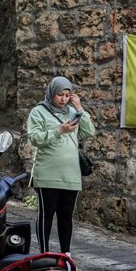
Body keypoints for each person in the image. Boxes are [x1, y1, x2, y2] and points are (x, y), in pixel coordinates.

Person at [28, 76, 96, 255]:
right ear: (52, 93)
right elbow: (35, 138)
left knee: (66, 215)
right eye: (60, 95)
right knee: (46, 214)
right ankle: (44, 252)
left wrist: (79, 108)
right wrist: (60, 131)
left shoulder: (72, 113)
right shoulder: (38, 112)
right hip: (48, 174)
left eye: (67, 95)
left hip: (70, 175)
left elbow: (89, 132)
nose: (63, 99)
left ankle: (66, 253)